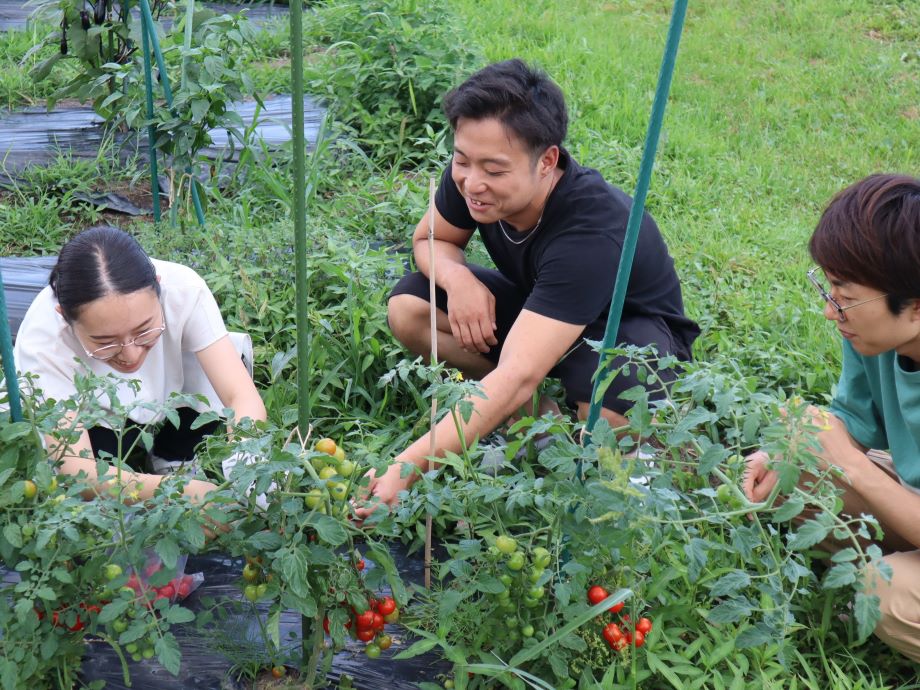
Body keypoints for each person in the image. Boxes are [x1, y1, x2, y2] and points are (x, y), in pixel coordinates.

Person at [359, 59, 699, 515]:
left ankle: (631, 471)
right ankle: (539, 428)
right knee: (411, 306)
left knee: (615, 394)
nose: (472, 182)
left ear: (548, 161)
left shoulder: (592, 230)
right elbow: (430, 240)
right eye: (462, 160)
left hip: (631, 336)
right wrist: (458, 279)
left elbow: (519, 375)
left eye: (494, 170)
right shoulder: (472, 175)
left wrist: (407, 468)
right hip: (545, 313)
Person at [742, 173, 920, 661]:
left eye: (845, 295)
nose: (829, 311)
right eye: (829, 288)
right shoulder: (873, 336)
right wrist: (787, 451)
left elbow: (852, 457)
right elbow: (851, 420)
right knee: (793, 480)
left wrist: (853, 466)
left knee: (886, 596)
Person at [13, 225, 267, 502]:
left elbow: (239, 394)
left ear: (159, 286)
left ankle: (174, 453)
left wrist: (246, 456)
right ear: (64, 316)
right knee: (99, 470)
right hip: (94, 412)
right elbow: (76, 471)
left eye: (144, 330)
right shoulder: (43, 340)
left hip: (167, 383)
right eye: (105, 341)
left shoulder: (184, 288)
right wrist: (174, 492)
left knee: (224, 356)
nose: (131, 355)